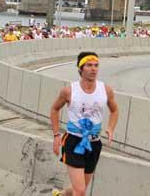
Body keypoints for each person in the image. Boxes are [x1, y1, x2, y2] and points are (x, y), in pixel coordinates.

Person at [50, 52, 118, 196]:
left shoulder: (106, 90)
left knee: (79, 189)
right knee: (80, 191)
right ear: (80, 69)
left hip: (94, 143)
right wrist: (56, 135)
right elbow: (55, 109)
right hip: (74, 141)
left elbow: (115, 110)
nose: (94, 69)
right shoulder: (69, 91)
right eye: (89, 65)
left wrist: (111, 128)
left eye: (96, 65)